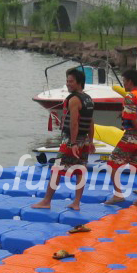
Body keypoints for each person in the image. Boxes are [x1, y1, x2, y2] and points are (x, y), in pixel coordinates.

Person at [32, 68, 94, 211]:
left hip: (70, 142)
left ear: (79, 83)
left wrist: (72, 143)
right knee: (80, 170)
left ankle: (46, 201)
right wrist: (90, 141)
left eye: (71, 81)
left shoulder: (73, 100)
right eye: (67, 81)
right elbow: (91, 122)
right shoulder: (88, 99)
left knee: (56, 169)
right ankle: (76, 203)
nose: (68, 84)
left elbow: (74, 123)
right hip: (83, 141)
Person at [105, 69, 137, 207]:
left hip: (132, 136)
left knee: (112, 162)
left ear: (130, 81)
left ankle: (118, 194)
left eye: (124, 81)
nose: (124, 84)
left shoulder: (130, 96)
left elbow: (131, 117)